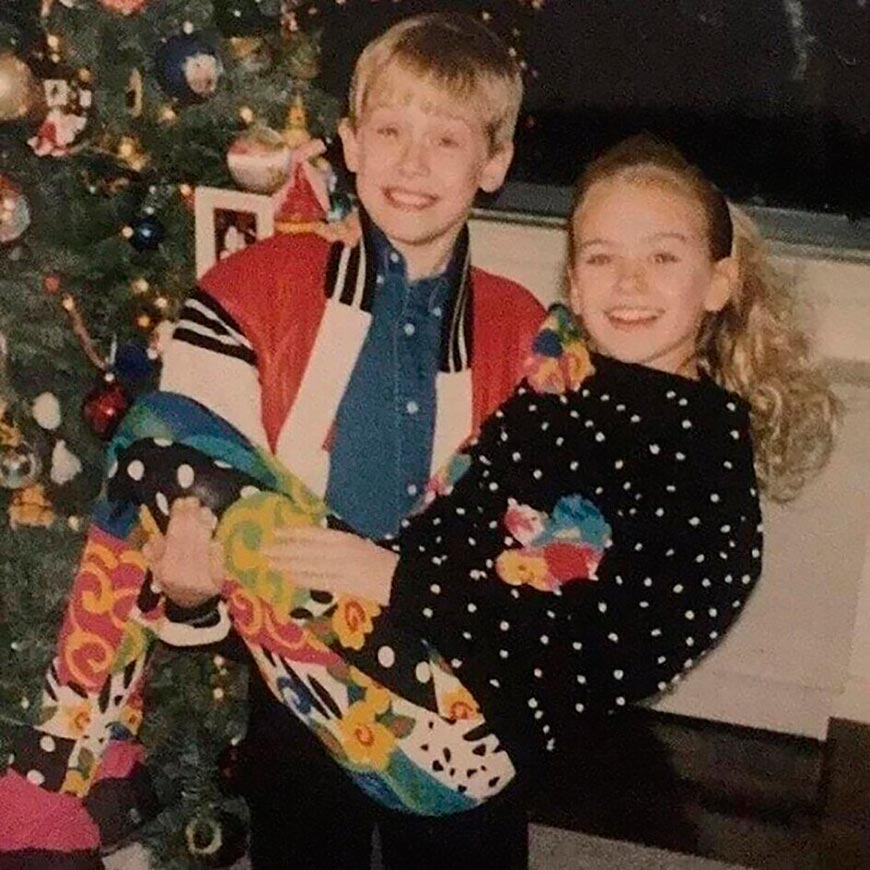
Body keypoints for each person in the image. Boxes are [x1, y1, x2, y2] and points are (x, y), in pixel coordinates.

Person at [142, 134, 835, 859]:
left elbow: (618, 648)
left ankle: (66, 744)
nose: (629, 282)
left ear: (720, 282)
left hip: (472, 739)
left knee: (163, 449)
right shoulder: (562, 383)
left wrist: (395, 582)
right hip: (396, 658)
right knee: (172, 451)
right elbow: (459, 511)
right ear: (574, 276)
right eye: (601, 257)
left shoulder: (704, 460)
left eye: (662, 257)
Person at [0, 12, 543, 870]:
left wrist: (402, 580)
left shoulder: (526, 332)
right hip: (295, 685)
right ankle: (69, 757)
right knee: (159, 434)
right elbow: (187, 517)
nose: (411, 161)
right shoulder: (247, 290)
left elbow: (543, 544)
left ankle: (61, 763)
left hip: (460, 701)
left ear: (496, 163)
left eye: (447, 139)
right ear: (349, 145)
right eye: (390, 131)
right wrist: (188, 589)